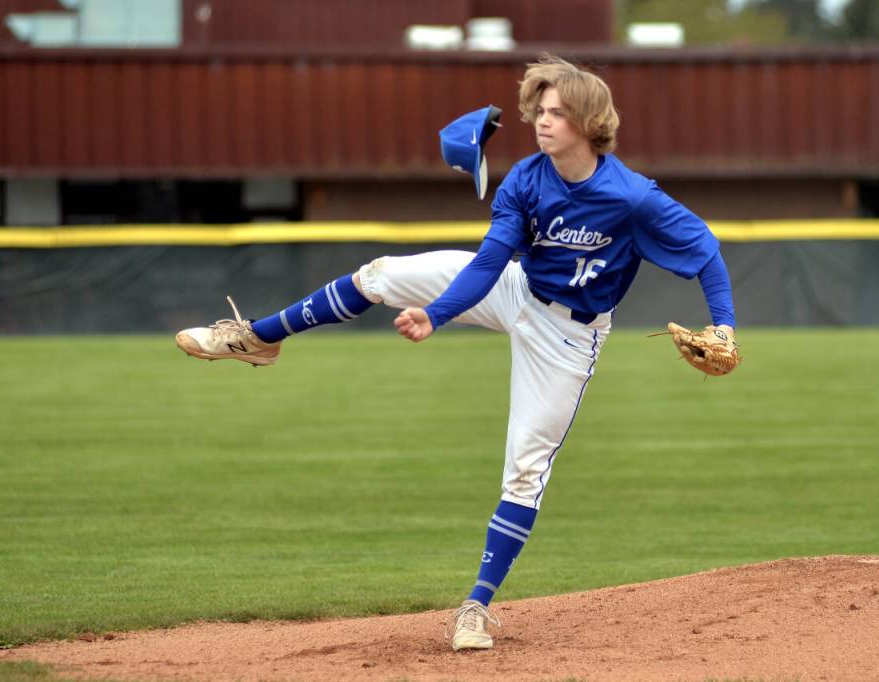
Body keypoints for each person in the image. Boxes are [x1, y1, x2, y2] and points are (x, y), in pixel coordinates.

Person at [175, 54, 737, 651]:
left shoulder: (631, 198)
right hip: (516, 288)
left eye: (557, 113)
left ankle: (475, 607)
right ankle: (259, 337)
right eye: (539, 111)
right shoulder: (525, 178)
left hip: (570, 336)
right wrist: (438, 312)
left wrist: (724, 327)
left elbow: (705, 252)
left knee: (526, 467)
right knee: (381, 274)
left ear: (589, 121)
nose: (542, 122)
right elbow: (492, 262)